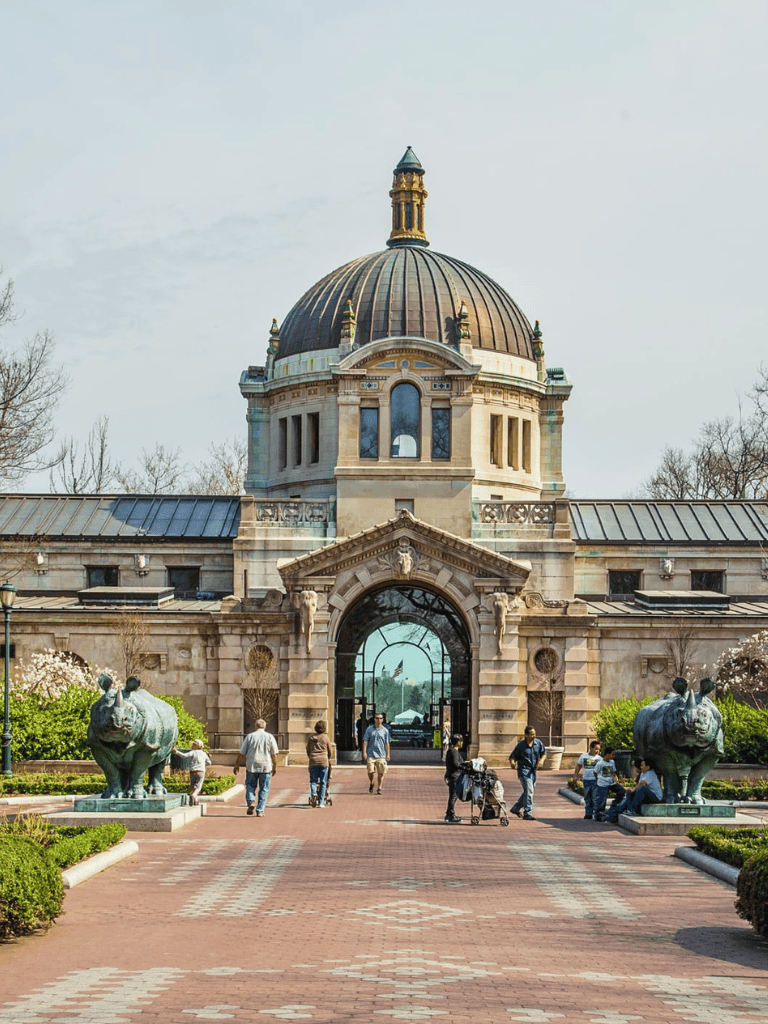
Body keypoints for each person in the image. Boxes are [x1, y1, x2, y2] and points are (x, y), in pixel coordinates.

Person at [233, 718, 279, 816]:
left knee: (250, 786)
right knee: (264, 789)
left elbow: (242, 752)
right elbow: (274, 754)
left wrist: (237, 764)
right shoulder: (270, 737)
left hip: (251, 765)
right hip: (266, 766)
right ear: (265, 727)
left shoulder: (250, 736)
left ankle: (251, 801)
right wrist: (275, 766)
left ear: (255, 726)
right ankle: (260, 810)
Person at [508, 726, 546, 820]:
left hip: (533, 771)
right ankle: (527, 813)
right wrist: (513, 763)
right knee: (529, 791)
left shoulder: (538, 743)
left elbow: (544, 754)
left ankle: (515, 808)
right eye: (532, 734)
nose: (534, 736)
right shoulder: (521, 746)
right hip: (524, 770)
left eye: (534, 734)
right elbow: (512, 757)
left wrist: (541, 761)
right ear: (526, 735)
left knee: (528, 791)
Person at [171, 738, 211, 806]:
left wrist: (176, 751)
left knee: (192, 786)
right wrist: (203, 765)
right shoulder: (204, 754)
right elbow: (209, 762)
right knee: (198, 787)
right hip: (201, 771)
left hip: (192, 771)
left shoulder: (192, 752)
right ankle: (194, 796)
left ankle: (194, 801)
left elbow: (184, 755)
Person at [593, 746, 626, 821]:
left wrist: (615, 777)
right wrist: (598, 779)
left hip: (611, 783)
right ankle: (598, 815)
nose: (614, 756)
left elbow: (614, 771)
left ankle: (614, 805)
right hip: (602, 784)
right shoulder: (600, 763)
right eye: (612, 754)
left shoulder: (612, 762)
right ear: (607, 754)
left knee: (621, 791)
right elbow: (595, 772)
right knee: (602, 800)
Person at [572, 740, 602, 820]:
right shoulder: (583, 756)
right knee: (587, 797)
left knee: (595, 797)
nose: (597, 751)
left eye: (598, 749)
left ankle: (596, 814)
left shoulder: (600, 759)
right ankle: (588, 814)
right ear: (591, 748)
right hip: (586, 780)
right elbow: (578, 766)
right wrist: (575, 776)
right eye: (596, 749)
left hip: (596, 781)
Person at [306, 719, 332, 808]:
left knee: (313, 781)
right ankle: (321, 802)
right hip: (323, 761)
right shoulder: (326, 738)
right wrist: (328, 758)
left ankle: (313, 795)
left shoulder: (310, 738)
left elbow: (308, 750)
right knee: (323, 782)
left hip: (313, 760)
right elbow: (330, 751)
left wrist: (311, 756)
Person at [362, 712, 390, 794]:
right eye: (377, 718)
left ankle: (379, 788)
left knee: (381, 772)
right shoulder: (369, 729)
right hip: (371, 754)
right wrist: (364, 752)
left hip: (381, 755)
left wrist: (388, 754)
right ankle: (371, 782)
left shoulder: (385, 731)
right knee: (370, 771)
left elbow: (387, 743)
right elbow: (365, 740)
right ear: (374, 719)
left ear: (383, 720)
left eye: (380, 718)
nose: (379, 720)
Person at [443, 733, 464, 824]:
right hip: (453, 776)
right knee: (453, 796)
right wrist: (464, 766)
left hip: (453, 776)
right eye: (461, 741)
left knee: (453, 796)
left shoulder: (453, 751)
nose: (462, 742)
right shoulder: (453, 752)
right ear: (458, 742)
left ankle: (449, 813)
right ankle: (450, 815)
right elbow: (456, 764)